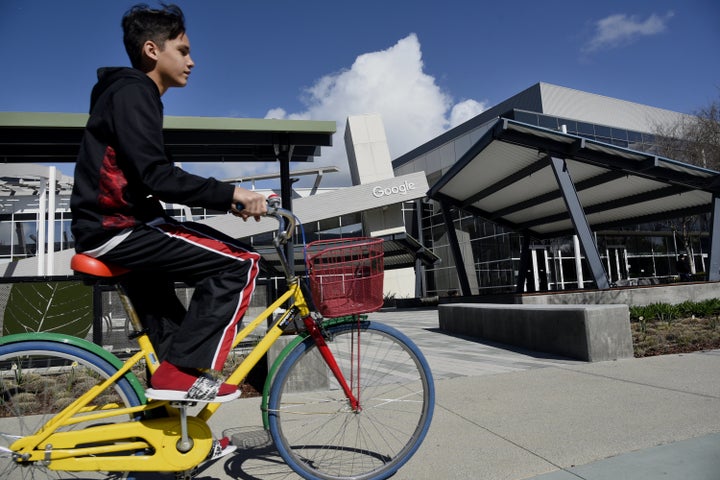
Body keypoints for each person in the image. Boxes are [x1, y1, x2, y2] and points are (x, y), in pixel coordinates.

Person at [71, 3, 267, 402]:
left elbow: (142, 175)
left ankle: (178, 441)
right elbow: (156, 175)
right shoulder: (132, 92)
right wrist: (233, 193)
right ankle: (178, 375)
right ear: (152, 50)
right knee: (241, 264)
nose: (192, 61)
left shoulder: (128, 94)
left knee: (170, 335)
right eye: (183, 50)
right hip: (116, 228)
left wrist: (224, 202)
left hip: (120, 225)